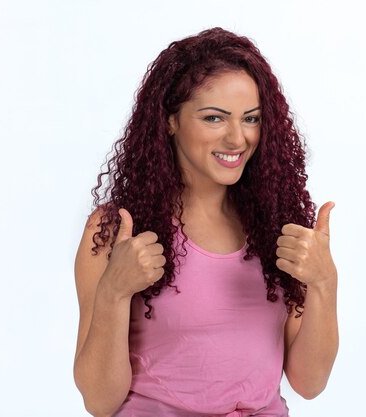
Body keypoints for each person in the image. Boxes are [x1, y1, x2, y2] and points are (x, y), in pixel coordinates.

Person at [73, 27, 339, 417]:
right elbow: (99, 400)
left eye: (251, 119)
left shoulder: (279, 226)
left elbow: (309, 383)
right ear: (170, 121)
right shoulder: (117, 230)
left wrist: (324, 282)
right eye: (214, 118)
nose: (237, 138)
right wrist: (114, 291)